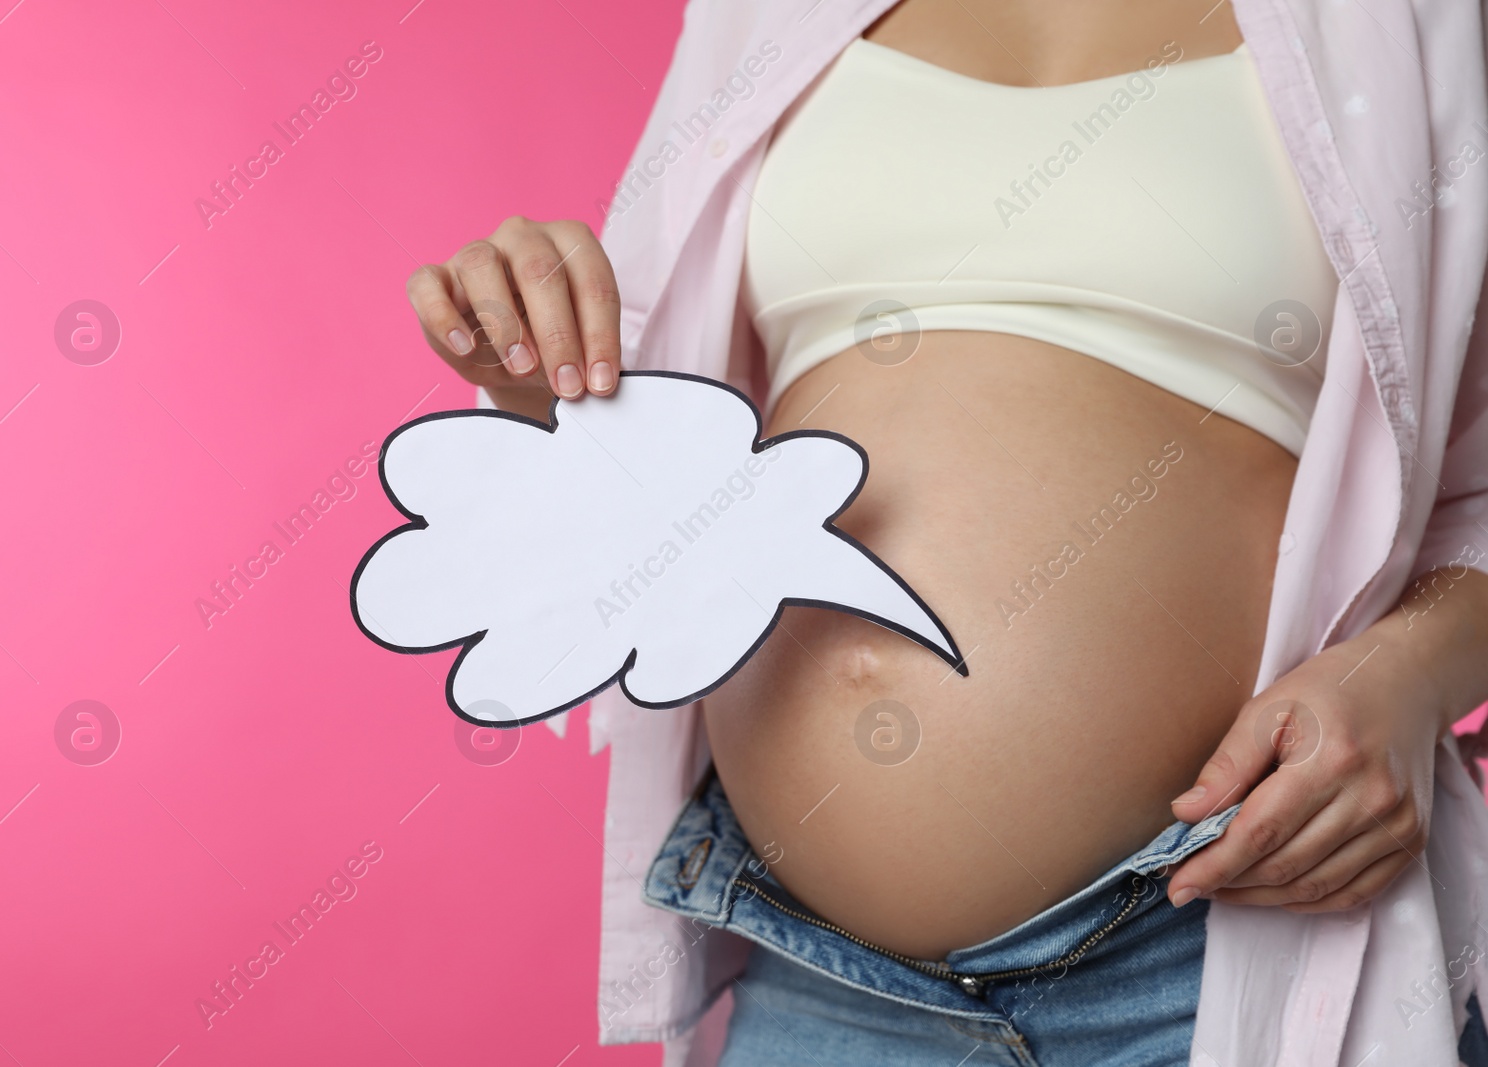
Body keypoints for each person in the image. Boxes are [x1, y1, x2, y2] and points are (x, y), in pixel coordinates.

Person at [407, 0, 1488, 1062]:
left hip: (1214, 951)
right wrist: (530, 360)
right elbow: (644, 433)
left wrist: (1405, 672)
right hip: (816, 978)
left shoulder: (1410, 21)